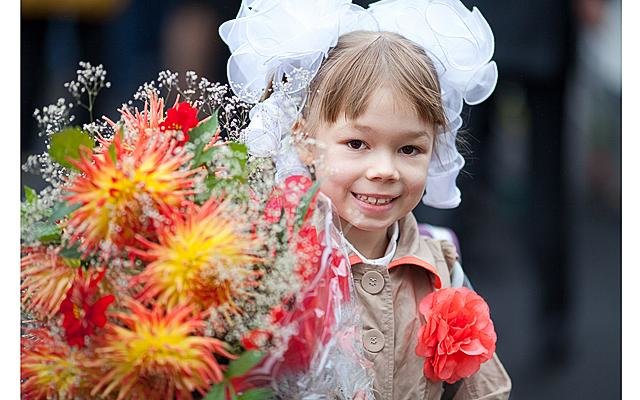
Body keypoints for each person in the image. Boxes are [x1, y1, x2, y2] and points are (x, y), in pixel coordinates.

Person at [220, 1, 512, 398]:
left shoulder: (443, 268)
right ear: (304, 140)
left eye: (409, 149)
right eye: (357, 143)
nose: (384, 170)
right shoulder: (271, 262)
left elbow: (483, 390)